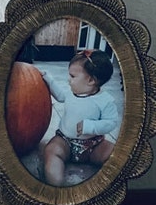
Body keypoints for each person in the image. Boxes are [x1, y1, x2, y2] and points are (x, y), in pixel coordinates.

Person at [36, 49, 122, 187]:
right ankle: (56, 185)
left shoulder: (105, 100)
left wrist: (90, 126)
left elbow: (111, 123)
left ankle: (105, 186)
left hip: (93, 145)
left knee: (116, 153)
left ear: (91, 80)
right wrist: (48, 79)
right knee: (51, 150)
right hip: (65, 141)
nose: (68, 80)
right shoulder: (71, 93)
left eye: (72, 76)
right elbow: (60, 96)